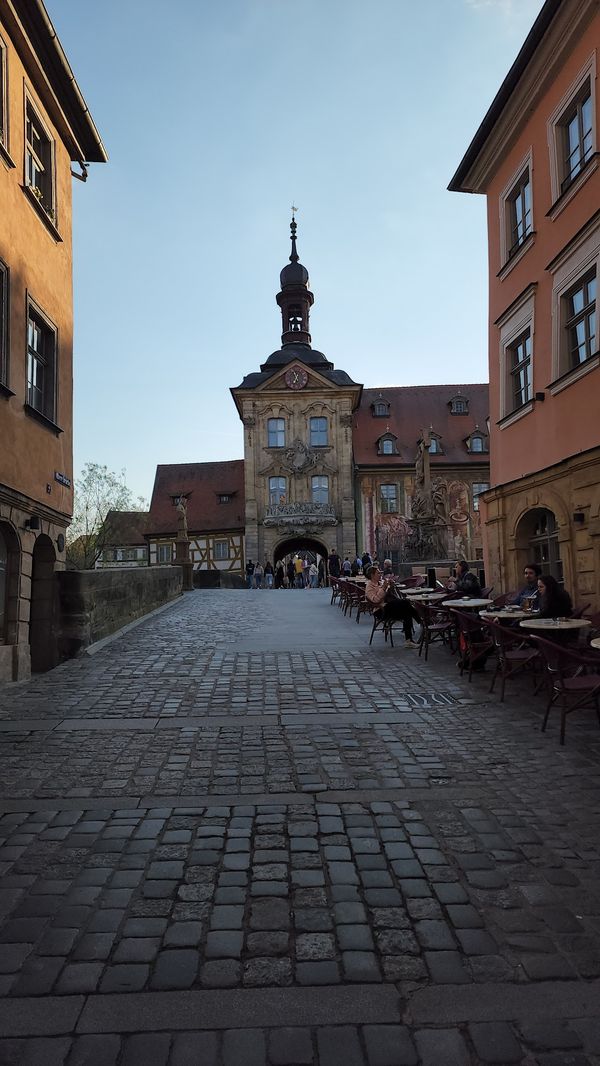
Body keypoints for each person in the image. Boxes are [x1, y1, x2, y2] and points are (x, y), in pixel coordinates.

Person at [365, 565, 420, 647]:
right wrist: (383, 588)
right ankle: (421, 622)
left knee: (407, 612)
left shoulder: (379, 583)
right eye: (378, 573)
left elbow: (387, 595)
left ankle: (409, 641)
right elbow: (375, 600)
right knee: (405, 603)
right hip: (380, 610)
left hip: (387, 607)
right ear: (372, 575)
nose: (380, 574)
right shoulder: (369, 586)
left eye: (380, 573)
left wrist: (389, 587)